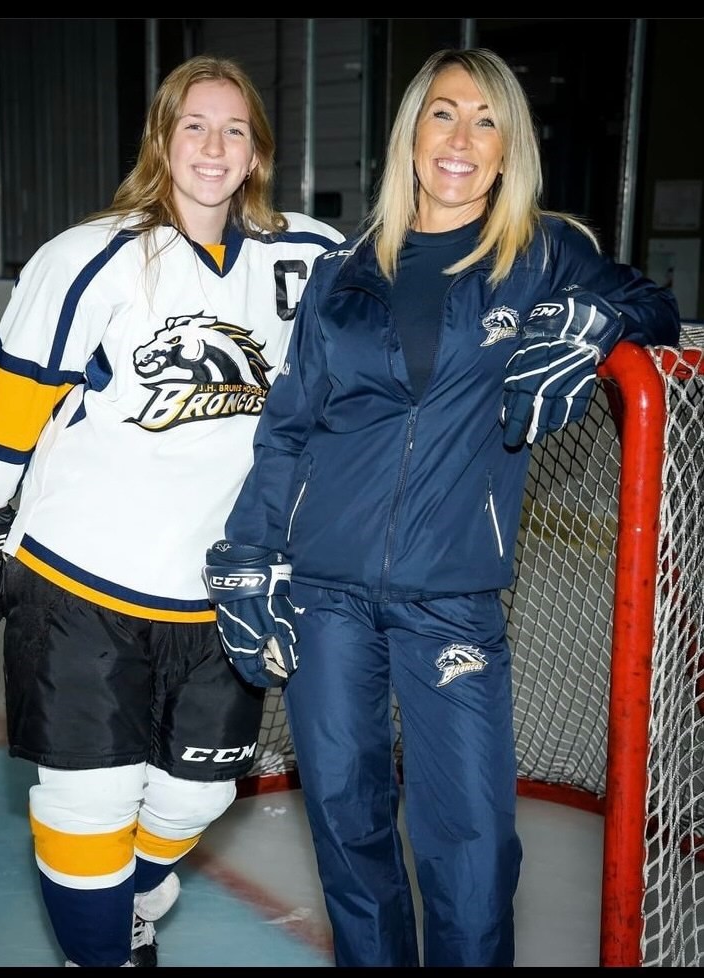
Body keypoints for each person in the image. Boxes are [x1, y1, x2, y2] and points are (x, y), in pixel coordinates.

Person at [202, 47, 680, 968]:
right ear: (411, 135)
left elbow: (650, 304)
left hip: (450, 601)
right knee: (347, 825)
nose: (461, 138)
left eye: (485, 119)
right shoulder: (344, 272)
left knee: (471, 847)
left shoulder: (544, 253)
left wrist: (597, 322)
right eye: (442, 114)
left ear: (508, 150)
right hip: (324, 596)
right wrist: (248, 550)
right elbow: (289, 427)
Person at [0, 55, 343, 968]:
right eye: (195, 125)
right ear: (162, 138)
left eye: (235, 128)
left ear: (259, 150)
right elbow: (13, 402)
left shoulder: (307, 255)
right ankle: (98, 951)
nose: (214, 146)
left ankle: (130, 895)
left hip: (222, 591)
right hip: (80, 585)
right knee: (86, 808)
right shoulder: (89, 258)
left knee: (193, 804)